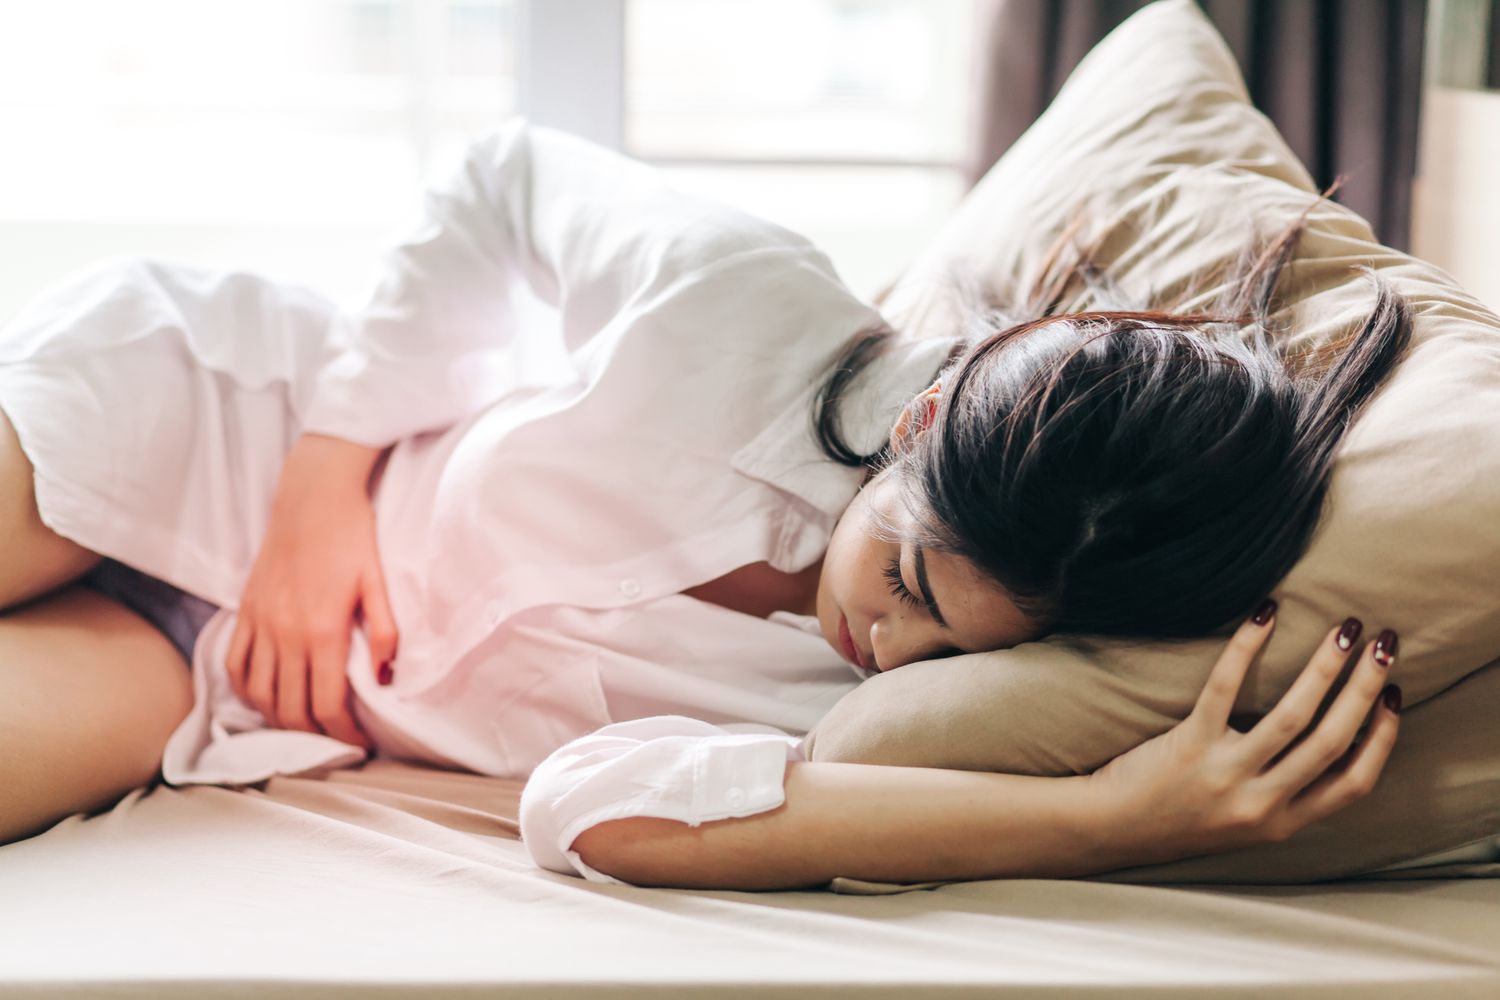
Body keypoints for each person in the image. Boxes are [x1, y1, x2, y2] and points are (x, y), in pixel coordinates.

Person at [0, 121, 1404, 889]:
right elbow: (498, 182)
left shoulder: (916, 702)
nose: (890, 650)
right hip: (216, 427)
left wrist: (1107, 819)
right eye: (911, 585)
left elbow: (589, 811)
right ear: (921, 425)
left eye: (962, 650)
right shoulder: (750, 305)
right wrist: (323, 486)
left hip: (237, 685)